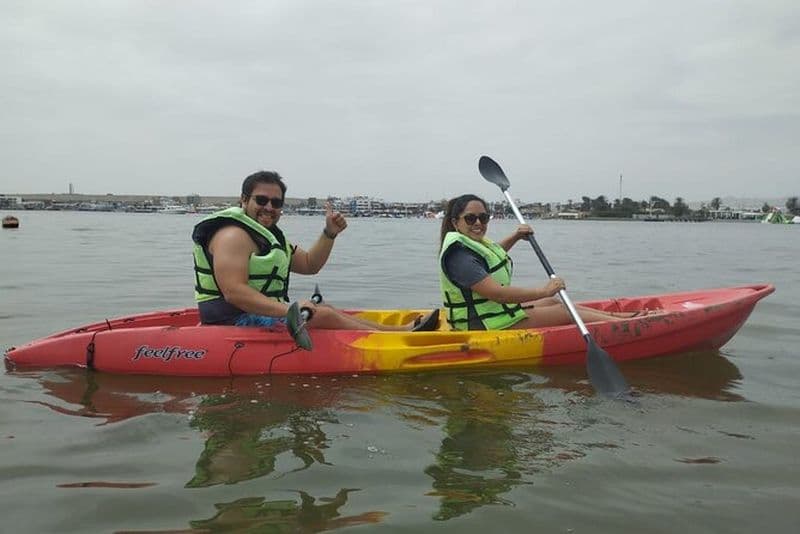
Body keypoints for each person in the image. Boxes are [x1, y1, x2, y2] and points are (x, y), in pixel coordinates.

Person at [192, 170, 438, 331]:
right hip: (231, 323)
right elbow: (234, 293)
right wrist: (291, 310)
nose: (269, 207)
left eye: (276, 202)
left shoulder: (268, 237)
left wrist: (329, 233)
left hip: (253, 316)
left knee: (326, 309)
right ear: (244, 200)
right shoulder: (232, 236)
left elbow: (309, 264)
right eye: (261, 200)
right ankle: (402, 336)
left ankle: (399, 332)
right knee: (324, 317)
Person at [438, 194, 648, 331]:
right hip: (480, 325)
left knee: (554, 303)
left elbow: (491, 257)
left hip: (491, 315)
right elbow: (498, 294)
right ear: (456, 222)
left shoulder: (471, 245)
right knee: (562, 311)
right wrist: (544, 290)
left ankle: (622, 317)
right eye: (470, 218)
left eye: (483, 218)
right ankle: (630, 328)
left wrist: (515, 236)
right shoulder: (459, 257)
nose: (478, 223)